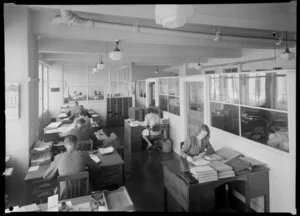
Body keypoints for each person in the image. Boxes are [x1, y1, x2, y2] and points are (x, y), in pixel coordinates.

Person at [43, 135, 101, 199]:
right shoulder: (84, 154)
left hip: (64, 195)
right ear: (77, 144)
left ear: (65, 145)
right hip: (83, 193)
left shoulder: (58, 157)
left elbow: (46, 176)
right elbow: (97, 168)